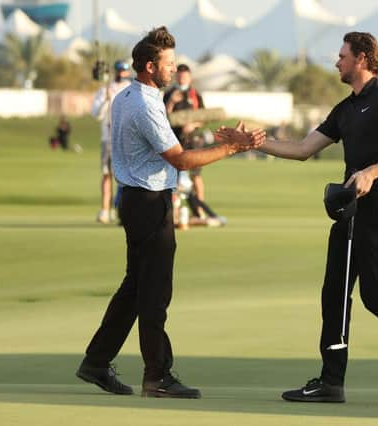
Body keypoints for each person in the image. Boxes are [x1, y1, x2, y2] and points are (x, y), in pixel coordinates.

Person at [218, 32, 378, 407]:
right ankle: (331, 382)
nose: (336, 62)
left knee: (375, 296)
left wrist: (372, 172)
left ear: (363, 59)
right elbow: (303, 149)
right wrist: (253, 144)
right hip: (350, 209)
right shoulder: (346, 109)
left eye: (342, 56)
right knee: (334, 292)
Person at [75, 26, 265, 399]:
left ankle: (96, 362)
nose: (173, 69)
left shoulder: (128, 97)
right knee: (154, 293)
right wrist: (233, 149)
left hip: (135, 200)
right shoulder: (146, 104)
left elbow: (171, 147)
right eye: (169, 63)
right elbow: (180, 158)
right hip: (148, 202)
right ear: (149, 66)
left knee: (134, 288)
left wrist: (217, 140)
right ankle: (157, 377)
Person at [163, 64, 207, 219]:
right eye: (180, 76)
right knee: (172, 176)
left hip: (192, 139)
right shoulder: (169, 93)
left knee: (196, 175)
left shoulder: (195, 95)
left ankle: (200, 210)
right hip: (174, 140)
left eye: (185, 76)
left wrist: (193, 125)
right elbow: (163, 116)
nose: (182, 78)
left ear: (189, 77)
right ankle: (173, 212)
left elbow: (203, 117)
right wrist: (172, 102)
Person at [91, 60, 132, 224]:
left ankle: (124, 210)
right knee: (107, 174)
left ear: (128, 72)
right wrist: (106, 100)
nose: (121, 73)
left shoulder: (131, 89)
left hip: (126, 138)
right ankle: (105, 210)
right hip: (108, 138)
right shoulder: (104, 90)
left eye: (124, 71)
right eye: (119, 70)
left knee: (126, 176)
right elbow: (96, 114)